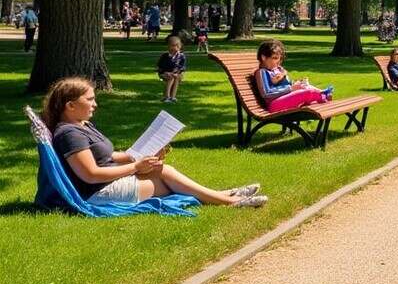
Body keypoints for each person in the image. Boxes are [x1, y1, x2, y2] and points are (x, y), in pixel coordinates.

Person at [44, 77, 266, 208]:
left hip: (108, 183)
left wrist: (142, 155)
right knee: (167, 176)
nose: (95, 105)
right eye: (90, 100)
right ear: (70, 106)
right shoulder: (69, 133)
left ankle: (224, 196)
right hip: (96, 193)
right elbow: (90, 174)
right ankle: (228, 200)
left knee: (165, 173)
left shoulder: (82, 124)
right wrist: (136, 167)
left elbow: (109, 157)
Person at [253, 39, 333, 112]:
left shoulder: (276, 71)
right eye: (275, 58)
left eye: (279, 59)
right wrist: (291, 88)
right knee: (307, 93)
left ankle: (323, 95)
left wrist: (293, 83)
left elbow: (286, 85)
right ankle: (323, 97)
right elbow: (266, 94)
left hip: (285, 100)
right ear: (263, 57)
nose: (278, 62)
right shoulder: (262, 72)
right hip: (274, 104)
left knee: (305, 86)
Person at [156, 36, 187, 103]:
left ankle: (173, 97)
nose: (174, 48)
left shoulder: (181, 56)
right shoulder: (165, 56)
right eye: (172, 46)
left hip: (176, 73)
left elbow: (182, 67)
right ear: (168, 46)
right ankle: (166, 97)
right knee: (171, 78)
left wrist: (177, 72)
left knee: (176, 78)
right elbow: (160, 66)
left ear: (179, 46)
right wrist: (165, 72)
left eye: (176, 46)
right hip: (165, 73)